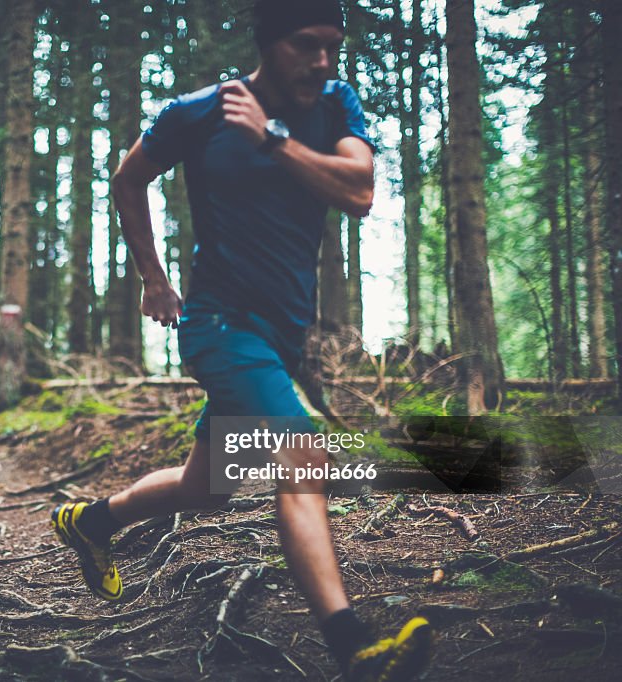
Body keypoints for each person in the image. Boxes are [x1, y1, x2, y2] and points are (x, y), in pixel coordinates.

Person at [52, 1, 434, 680]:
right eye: (305, 46)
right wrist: (153, 279)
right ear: (267, 43)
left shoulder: (334, 105)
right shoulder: (199, 113)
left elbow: (360, 192)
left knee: (207, 489)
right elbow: (127, 177)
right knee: (302, 456)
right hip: (220, 325)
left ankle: (92, 523)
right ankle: (356, 651)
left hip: (280, 336)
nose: (321, 62)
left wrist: (274, 139)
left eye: (331, 47)